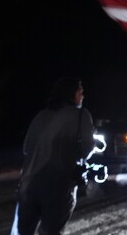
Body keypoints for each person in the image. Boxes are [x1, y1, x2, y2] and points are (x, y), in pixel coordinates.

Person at [12, 77, 95, 235]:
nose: (83, 96)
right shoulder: (81, 115)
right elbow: (87, 149)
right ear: (72, 94)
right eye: (80, 92)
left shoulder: (40, 115)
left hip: (28, 186)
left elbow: (26, 148)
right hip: (58, 186)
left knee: (24, 231)